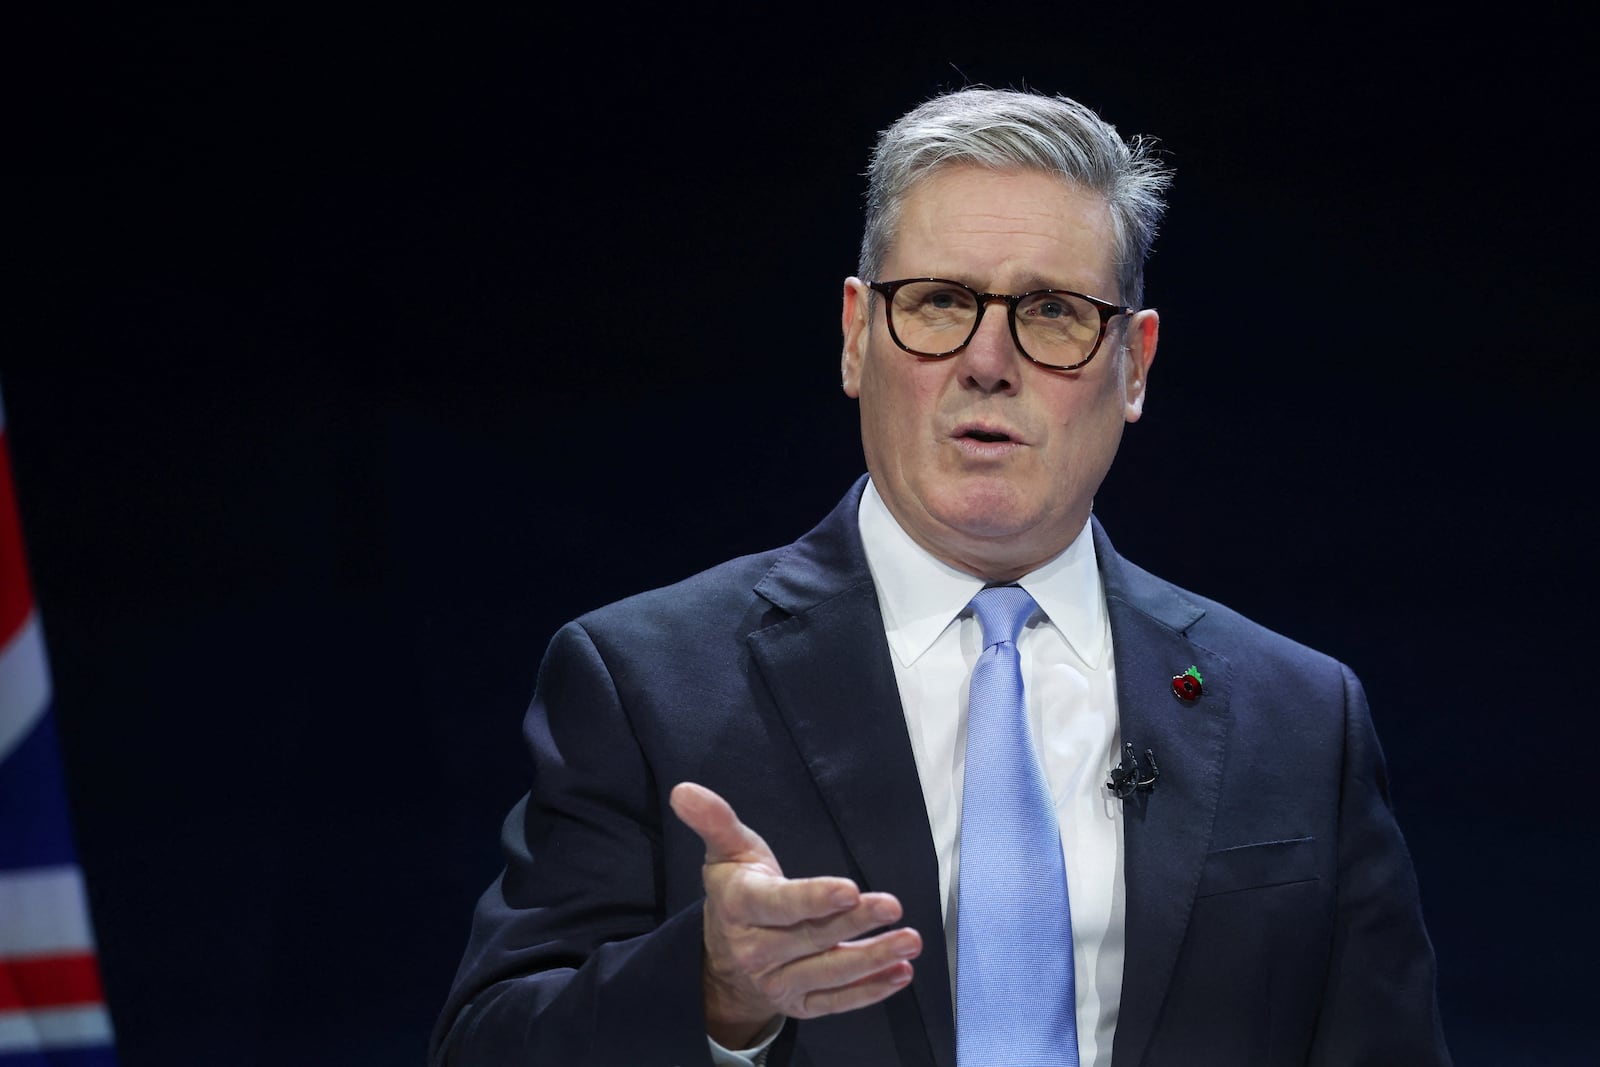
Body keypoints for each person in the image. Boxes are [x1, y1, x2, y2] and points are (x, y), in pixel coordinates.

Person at [430, 88, 1449, 1066]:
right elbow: (485, 1046)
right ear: (855, 334)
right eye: (939, 301)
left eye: (1051, 310)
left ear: (1133, 364)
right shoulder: (642, 681)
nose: (987, 360)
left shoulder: (1302, 716)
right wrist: (710, 988)